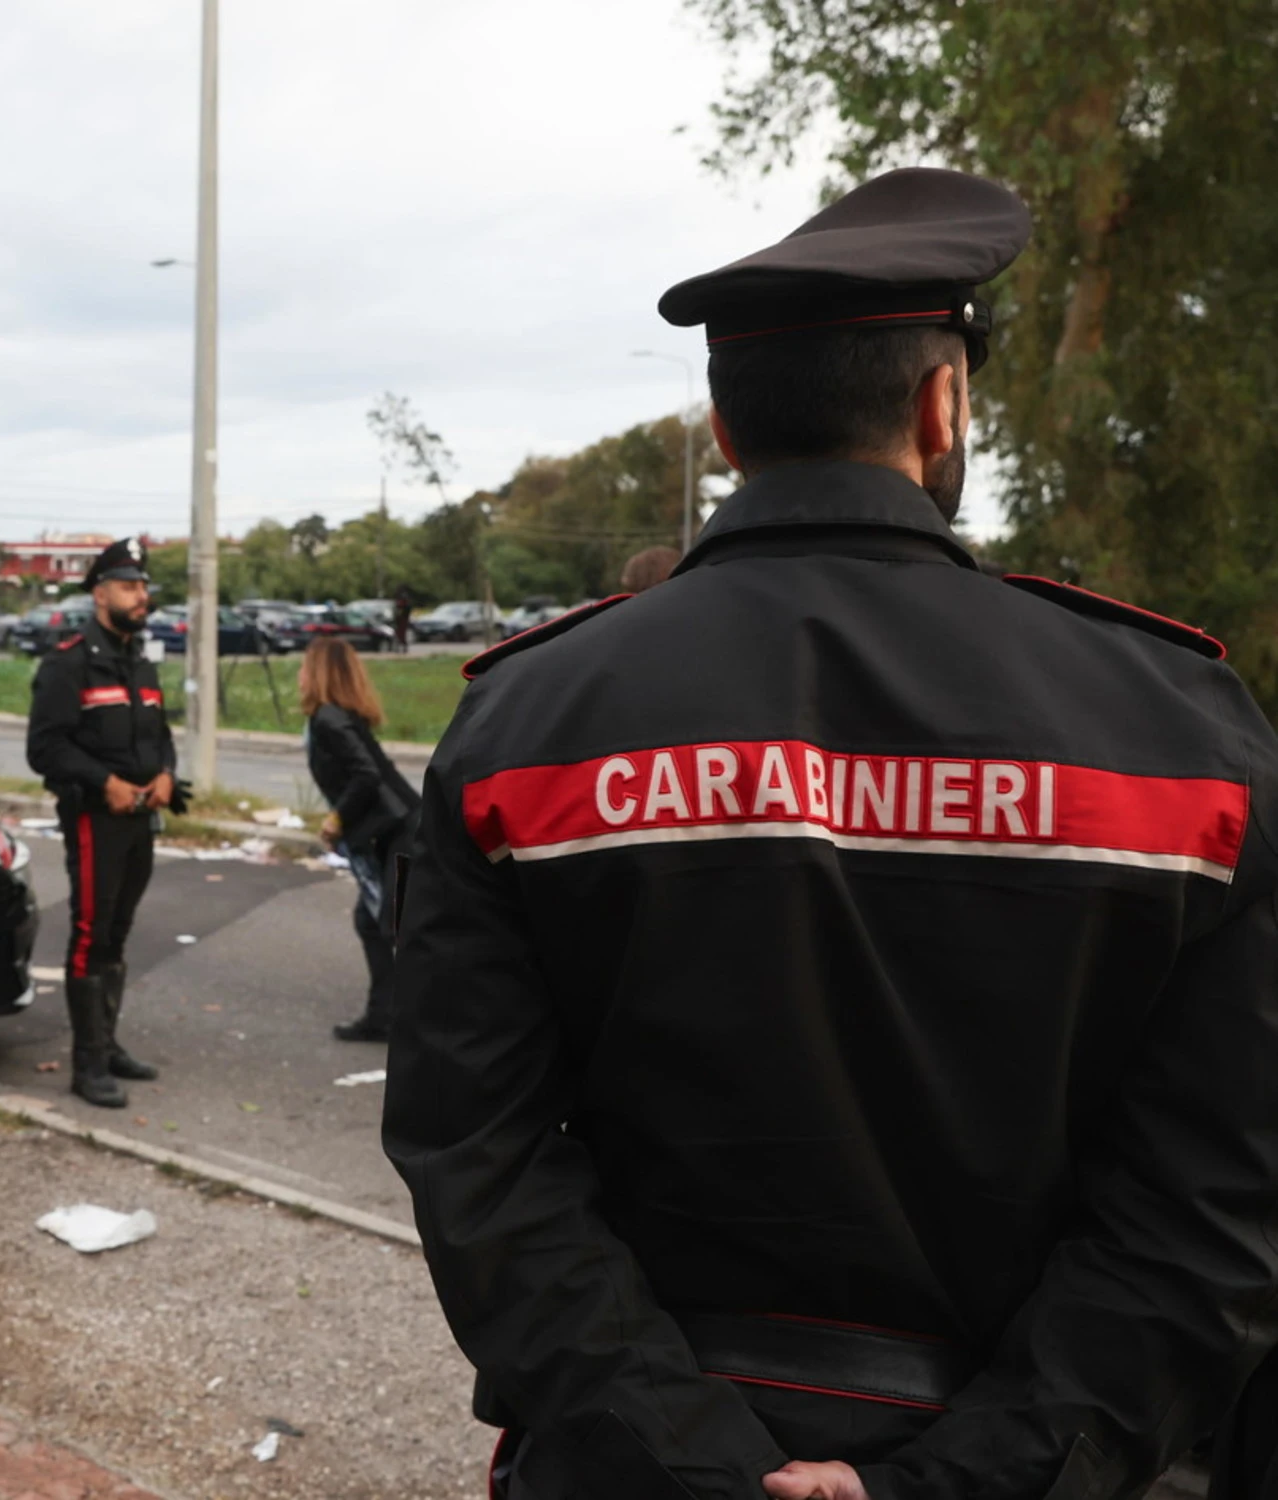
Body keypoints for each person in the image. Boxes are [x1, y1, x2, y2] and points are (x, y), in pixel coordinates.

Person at [382, 167, 1278, 1500]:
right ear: (940, 406)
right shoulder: (1179, 730)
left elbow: (478, 1162)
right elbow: (1214, 1203)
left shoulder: (526, 724)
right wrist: (973, 1475)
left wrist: (689, 1462)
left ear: (725, 433)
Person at [25, 537, 175, 1109]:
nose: (141, 597)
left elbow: (158, 735)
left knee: (118, 932)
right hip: (94, 818)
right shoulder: (68, 661)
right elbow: (45, 748)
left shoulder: (140, 659)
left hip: (142, 817)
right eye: (129, 587)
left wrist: (166, 773)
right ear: (99, 593)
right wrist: (103, 783)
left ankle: (108, 1044)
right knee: (90, 932)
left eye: (143, 587)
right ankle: (86, 1066)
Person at [300, 637, 421, 1042]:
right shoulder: (340, 716)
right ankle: (382, 1016)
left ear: (318, 672)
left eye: (304, 666)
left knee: (400, 927)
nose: (299, 675)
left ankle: (428, 1023)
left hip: (403, 833)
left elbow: (366, 775)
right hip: (396, 830)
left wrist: (337, 819)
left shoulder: (328, 719)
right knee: (373, 922)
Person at [393, 585, 414, 654]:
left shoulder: (403, 602)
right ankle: (399, 648)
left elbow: (403, 610)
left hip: (403, 619)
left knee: (402, 635)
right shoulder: (401, 601)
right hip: (400, 620)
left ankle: (402, 648)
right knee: (399, 634)